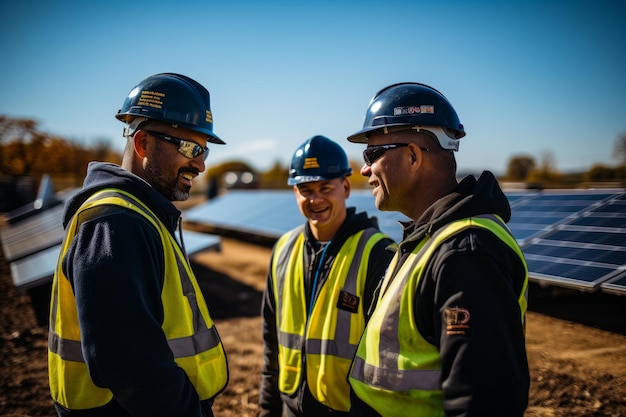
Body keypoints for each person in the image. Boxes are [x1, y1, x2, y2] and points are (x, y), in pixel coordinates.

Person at [48, 73, 229, 417]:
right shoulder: (116, 224)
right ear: (144, 143)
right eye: (190, 148)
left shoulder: (139, 216)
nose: (201, 164)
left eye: (203, 150)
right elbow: (130, 366)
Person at [345, 82, 530, 416]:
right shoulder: (432, 239)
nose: (365, 169)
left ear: (414, 156)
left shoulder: (467, 253)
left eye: (372, 154)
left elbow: (484, 403)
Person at [259, 135, 396, 417]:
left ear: (345, 187)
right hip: (290, 408)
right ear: (295, 192)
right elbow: (271, 344)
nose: (315, 199)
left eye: (325, 187)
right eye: (305, 189)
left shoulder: (379, 254)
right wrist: (267, 408)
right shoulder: (283, 249)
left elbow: (388, 359)